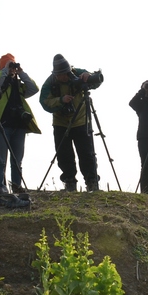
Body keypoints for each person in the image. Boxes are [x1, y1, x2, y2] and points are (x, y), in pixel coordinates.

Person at [39, 54, 102, 192]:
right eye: (60, 75)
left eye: (65, 73)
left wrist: (88, 75)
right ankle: (69, 182)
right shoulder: (50, 82)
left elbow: (97, 81)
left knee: (87, 153)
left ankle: (92, 182)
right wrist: (61, 100)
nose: (63, 77)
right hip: (61, 122)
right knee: (64, 155)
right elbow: (44, 102)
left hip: (81, 120)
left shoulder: (77, 74)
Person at [0, 53, 41, 193]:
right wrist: (5, 71)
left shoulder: (19, 85)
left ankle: (16, 187)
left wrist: (21, 73)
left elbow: (34, 89)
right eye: (10, 65)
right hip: (2, 124)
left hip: (19, 126)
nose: (12, 68)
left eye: (13, 65)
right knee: (0, 160)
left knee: (17, 160)